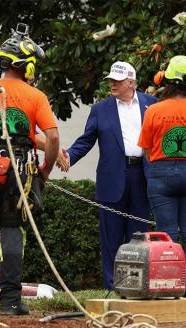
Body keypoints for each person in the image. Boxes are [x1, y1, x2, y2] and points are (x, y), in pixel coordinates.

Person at [57, 61, 157, 289]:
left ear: (131, 82)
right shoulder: (100, 109)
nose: (112, 83)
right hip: (112, 177)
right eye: (111, 80)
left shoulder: (151, 104)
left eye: (118, 80)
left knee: (139, 236)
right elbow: (86, 140)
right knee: (111, 237)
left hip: (142, 176)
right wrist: (68, 157)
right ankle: (113, 287)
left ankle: (137, 286)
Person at [0, 25, 59, 315]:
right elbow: (52, 137)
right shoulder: (35, 96)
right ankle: (10, 301)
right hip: (22, 169)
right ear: (24, 66)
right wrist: (44, 172)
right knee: (12, 229)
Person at [138, 55, 186, 297]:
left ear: (165, 78)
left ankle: (168, 288)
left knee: (166, 235)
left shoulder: (154, 111)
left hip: (161, 173)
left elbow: (147, 150)